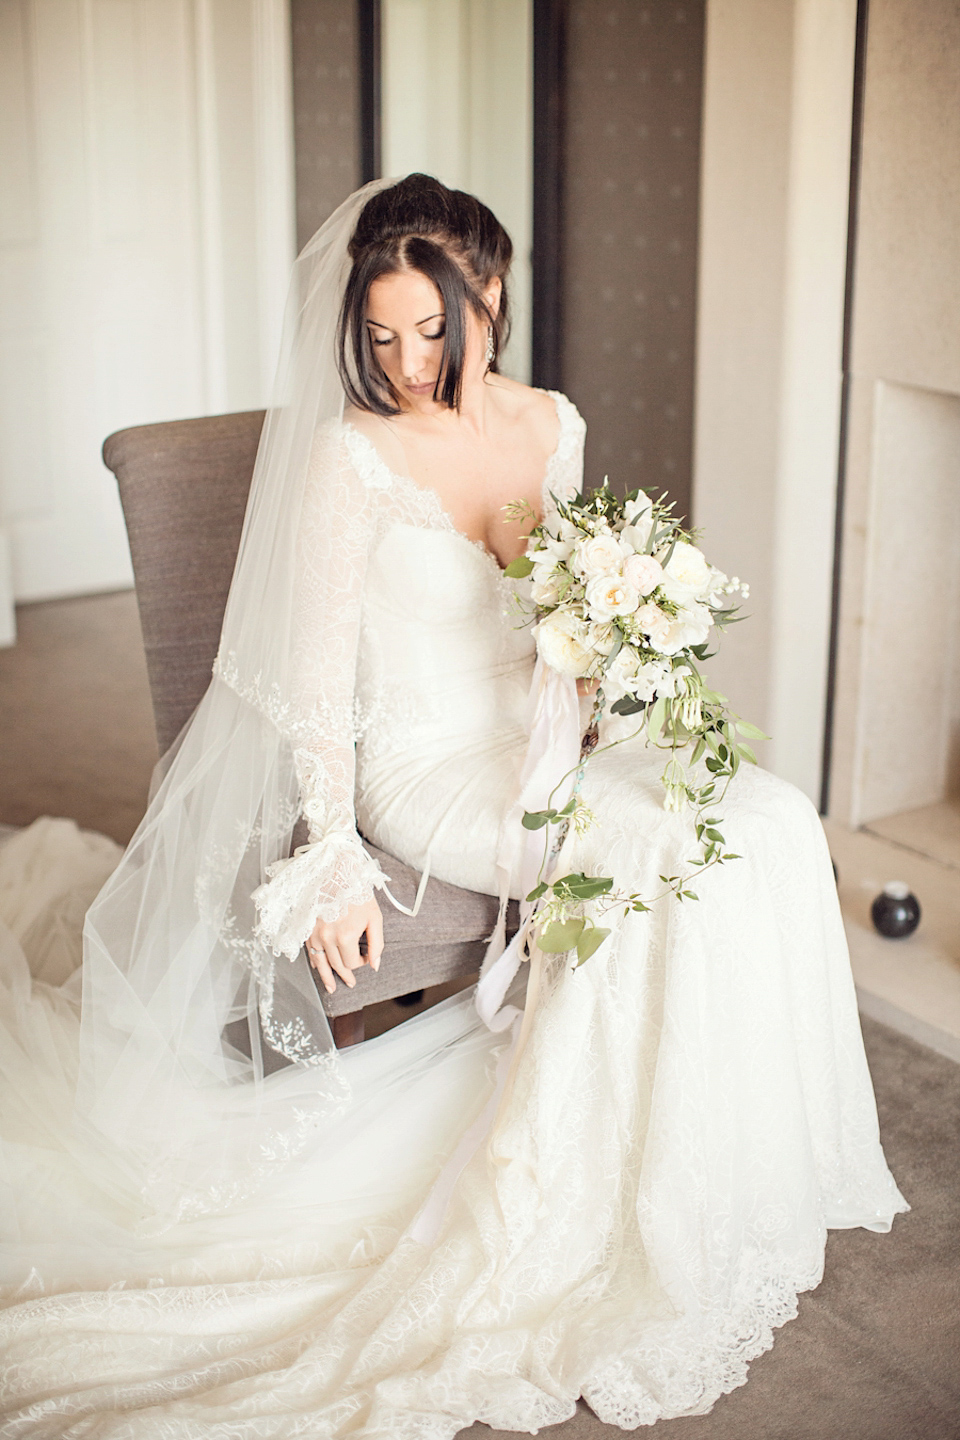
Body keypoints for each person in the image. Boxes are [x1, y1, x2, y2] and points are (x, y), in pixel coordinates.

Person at [0, 175, 905, 1436]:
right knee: (649, 857)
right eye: (379, 335)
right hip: (428, 765)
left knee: (770, 818)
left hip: (542, 736)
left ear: (493, 294)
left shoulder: (553, 423)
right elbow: (312, 684)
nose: (409, 362)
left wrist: (613, 665)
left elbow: (556, 618)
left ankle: (731, 1174)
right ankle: (589, 1200)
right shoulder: (349, 457)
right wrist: (329, 859)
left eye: (434, 328)